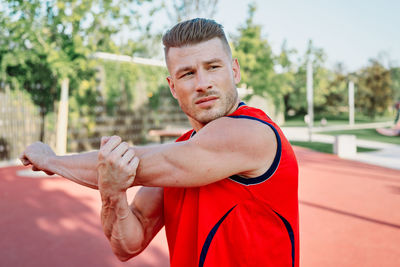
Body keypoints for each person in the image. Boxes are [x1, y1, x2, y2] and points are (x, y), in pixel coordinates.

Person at [20, 18, 299, 267]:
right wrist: (112, 193)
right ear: (172, 87)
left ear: (234, 71)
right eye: (187, 73)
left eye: (213, 67)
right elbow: (128, 245)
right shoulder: (181, 149)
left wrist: (50, 160)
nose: (202, 83)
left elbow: (133, 164)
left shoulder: (252, 133)